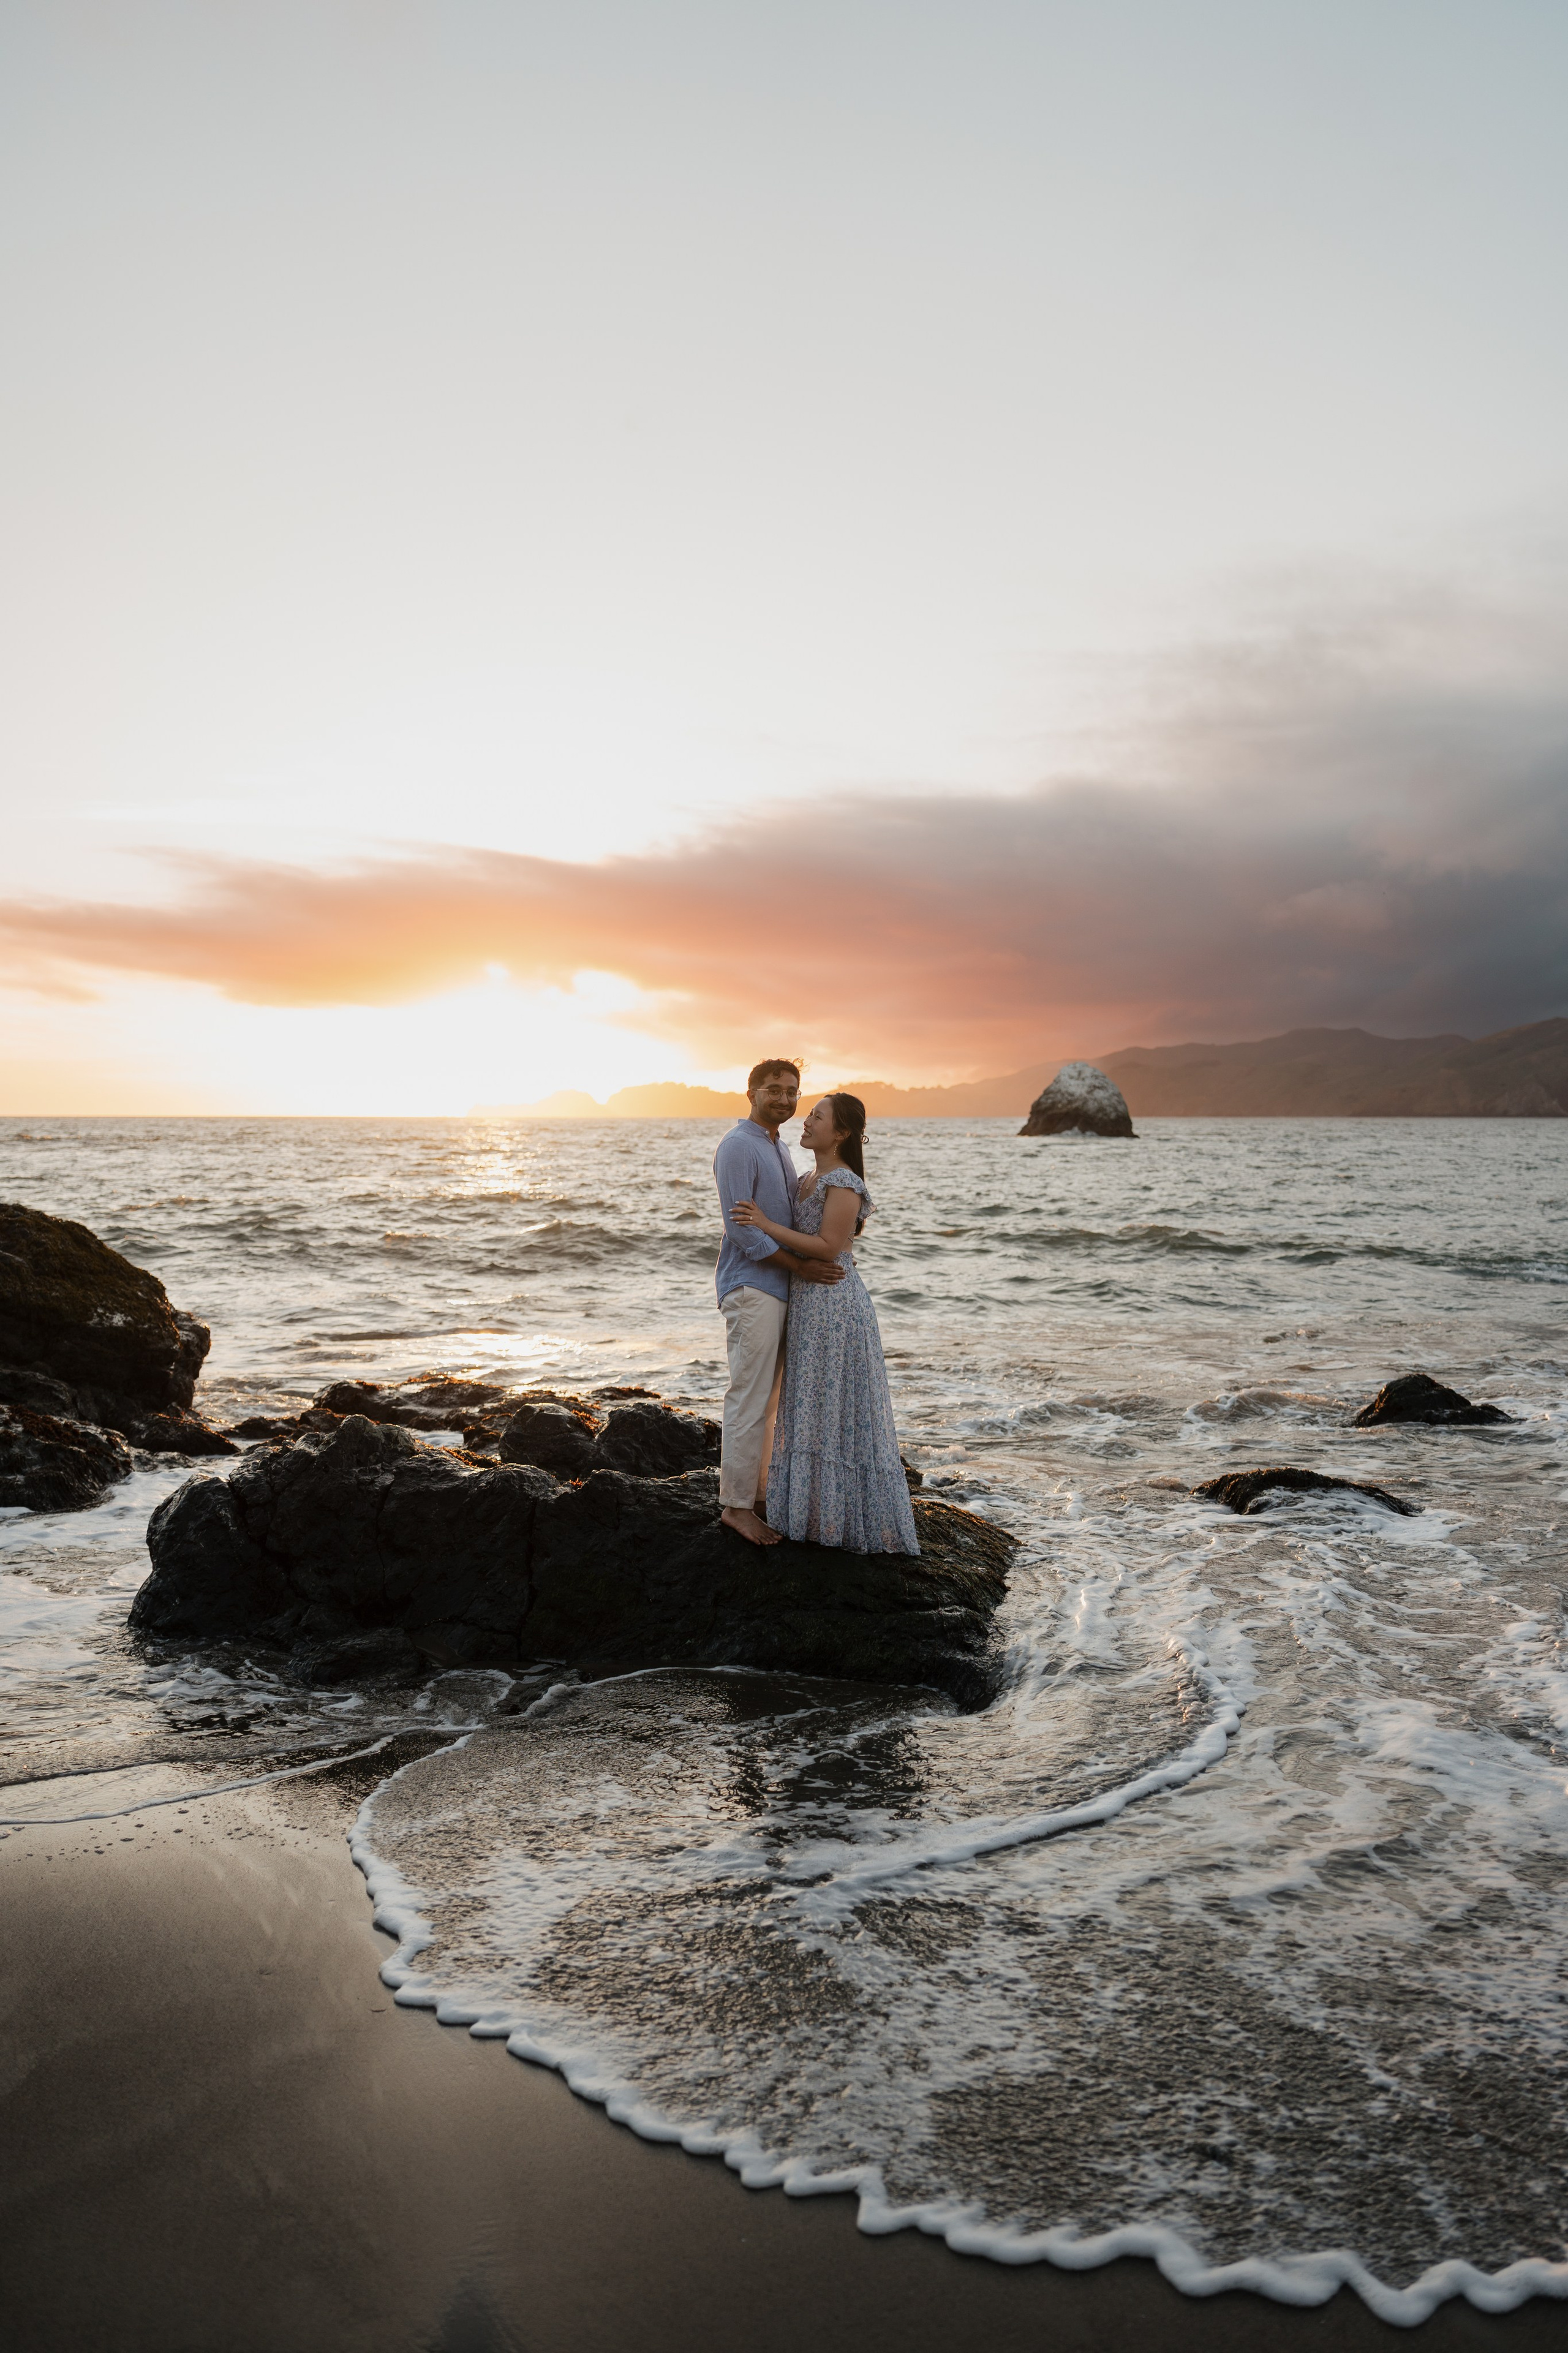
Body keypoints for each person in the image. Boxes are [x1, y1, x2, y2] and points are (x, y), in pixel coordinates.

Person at [733, 1092, 919, 1555]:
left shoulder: (844, 1181)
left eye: (818, 1116)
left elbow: (831, 1245)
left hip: (836, 1305)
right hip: (808, 1303)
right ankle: (814, 1512)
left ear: (840, 1133)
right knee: (812, 1405)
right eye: (811, 1113)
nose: (808, 1120)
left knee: (836, 1405)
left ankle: (843, 1519)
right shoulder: (805, 1178)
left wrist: (765, 1225)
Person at [712, 1059, 845, 1547]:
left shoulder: (779, 1148)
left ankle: (759, 1494)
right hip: (751, 1286)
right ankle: (736, 1507)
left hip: (778, 1289)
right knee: (749, 1396)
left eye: (792, 1092)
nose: (785, 1100)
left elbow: (788, 1216)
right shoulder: (738, 1146)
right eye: (774, 1090)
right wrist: (800, 1266)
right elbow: (742, 1229)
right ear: (751, 1091)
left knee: (768, 1401)